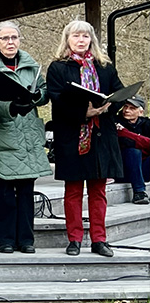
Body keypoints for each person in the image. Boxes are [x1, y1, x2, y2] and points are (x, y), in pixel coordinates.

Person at [46, 20, 123, 258]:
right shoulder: (58, 67)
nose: (81, 40)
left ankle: (99, 239)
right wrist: (83, 112)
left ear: (92, 40)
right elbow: (57, 100)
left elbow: (119, 92)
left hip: (102, 135)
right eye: (76, 36)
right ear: (67, 39)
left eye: (85, 37)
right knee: (73, 191)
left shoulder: (105, 66)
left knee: (99, 191)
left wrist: (108, 106)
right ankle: (75, 239)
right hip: (73, 136)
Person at [0, 21, 50, 254]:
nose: (10, 42)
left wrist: (37, 96)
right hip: (3, 135)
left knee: (26, 191)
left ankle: (26, 239)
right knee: (4, 191)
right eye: (5, 38)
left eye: (14, 38)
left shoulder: (30, 65)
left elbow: (45, 92)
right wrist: (10, 106)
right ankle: (4, 239)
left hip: (27, 137)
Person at [115, 95, 150, 205]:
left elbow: (124, 135)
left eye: (132, 108)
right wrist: (143, 144)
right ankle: (139, 192)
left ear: (140, 112)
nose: (127, 110)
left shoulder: (147, 124)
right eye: (125, 107)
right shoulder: (115, 121)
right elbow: (119, 137)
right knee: (133, 151)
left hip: (143, 169)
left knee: (134, 149)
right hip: (123, 171)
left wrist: (129, 135)